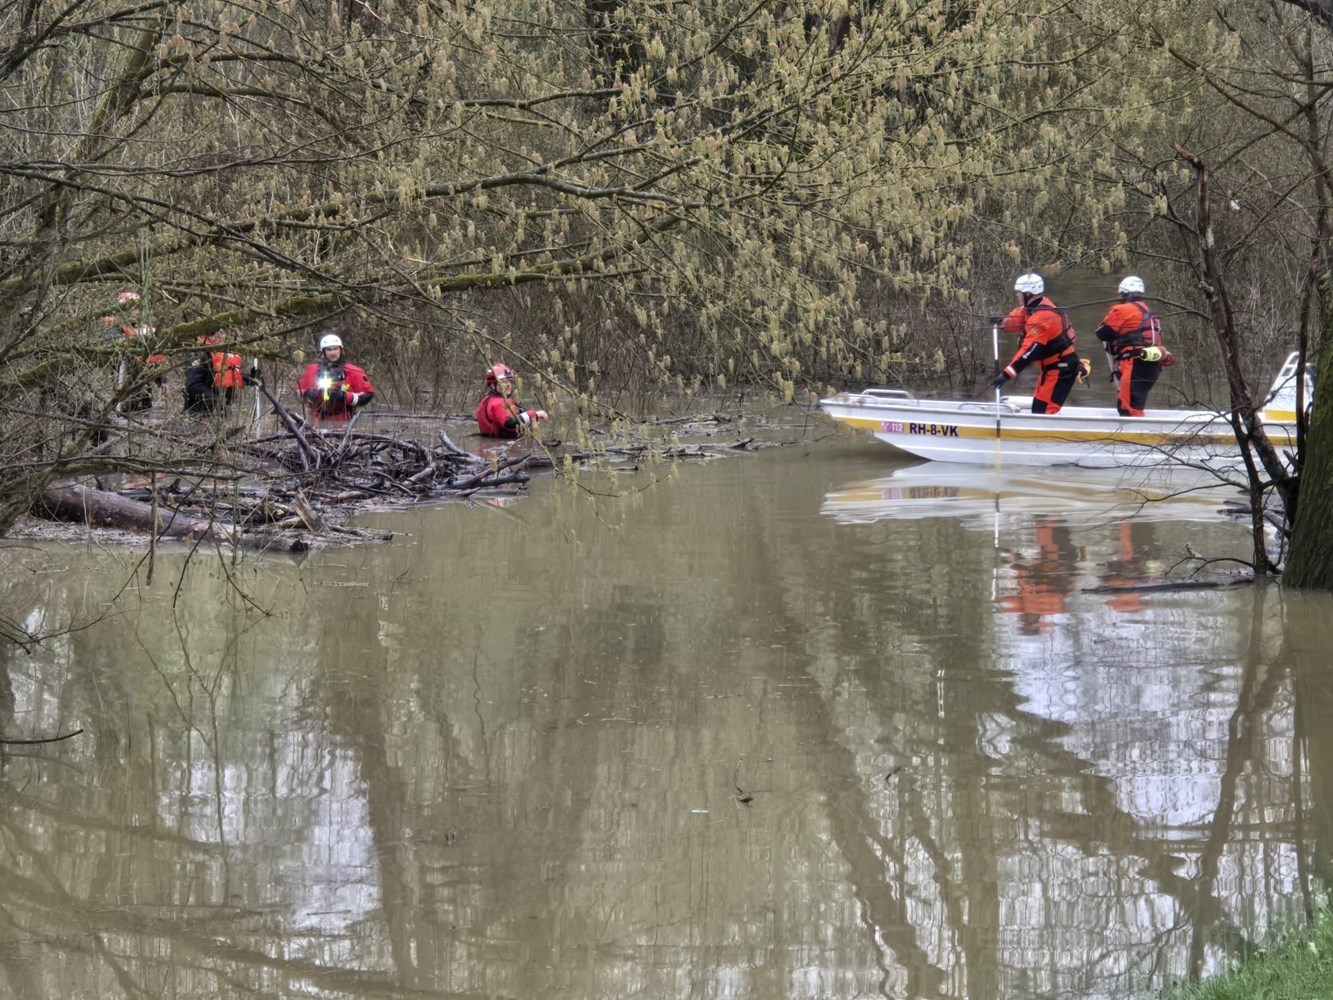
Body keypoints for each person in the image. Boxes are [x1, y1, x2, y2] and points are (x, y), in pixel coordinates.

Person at [987, 273, 1082, 414]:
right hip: (1050, 368)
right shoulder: (1034, 308)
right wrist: (1002, 322)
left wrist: (1007, 374)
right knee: (1038, 408)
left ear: (1028, 293)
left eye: (1019, 292)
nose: (1017, 295)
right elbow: (1018, 319)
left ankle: (1048, 427)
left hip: (1061, 368)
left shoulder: (1041, 318)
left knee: (1044, 411)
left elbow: (1029, 351)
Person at [1094, 276, 1176, 417]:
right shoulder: (1149, 312)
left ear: (1123, 293)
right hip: (1152, 366)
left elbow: (1102, 332)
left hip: (1135, 364)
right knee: (1133, 405)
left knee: (1128, 409)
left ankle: (1132, 429)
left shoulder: (1123, 309)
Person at [297, 332, 375, 422]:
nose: (333, 353)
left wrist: (344, 396)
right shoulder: (312, 369)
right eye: (329, 349)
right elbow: (298, 392)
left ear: (340, 349)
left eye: (335, 349)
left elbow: (367, 396)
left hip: (344, 419)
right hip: (316, 419)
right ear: (323, 351)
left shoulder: (354, 371)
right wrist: (307, 393)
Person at [475, 363, 548, 438]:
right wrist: (535, 414)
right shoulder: (498, 403)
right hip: (502, 442)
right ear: (493, 385)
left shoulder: (487, 399)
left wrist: (524, 413)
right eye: (504, 382)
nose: (509, 384)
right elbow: (509, 423)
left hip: (490, 441)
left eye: (509, 381)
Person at [184, 332, 246, 413]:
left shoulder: (220, 353)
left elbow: (227, 373)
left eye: (223, 333)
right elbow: (192, 385)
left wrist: (248, 379)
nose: (222, 336)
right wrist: (216, 400)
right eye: (219, 334)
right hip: (199, 412)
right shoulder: (199, 354)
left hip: (219, 410)